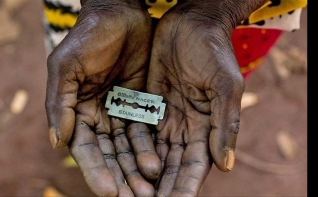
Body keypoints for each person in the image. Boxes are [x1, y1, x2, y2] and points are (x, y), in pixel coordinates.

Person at [43, 0, 307, 196]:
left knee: (215, 80)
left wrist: (216, 10)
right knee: (82, 61)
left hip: (239, 15)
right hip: (89, 13)